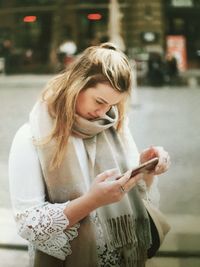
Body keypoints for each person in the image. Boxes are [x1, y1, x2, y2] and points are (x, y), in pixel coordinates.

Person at [9, 43, 170, 267]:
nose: (102, 113)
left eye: (112, 105)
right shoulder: (30, 137)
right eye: (99, 101)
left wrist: (146, 170)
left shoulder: (115, 127)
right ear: (78, 84)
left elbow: (141, 201)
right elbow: (28, 223)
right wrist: (91, 201)